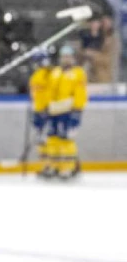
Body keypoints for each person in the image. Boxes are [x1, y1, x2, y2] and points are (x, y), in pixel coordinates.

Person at [37, 45, 87, 179]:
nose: (66, 59)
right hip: (54, 110)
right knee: (52, 139)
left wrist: (77, 110)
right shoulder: (55, 72)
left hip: (69, 110)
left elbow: (80, 93)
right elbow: (49, 91)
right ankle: (54, 166)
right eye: (64, 57)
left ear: (73, 58)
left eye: (68, 57)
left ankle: (68, 167)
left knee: (66, 139)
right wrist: (46, 107)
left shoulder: (78, 73)